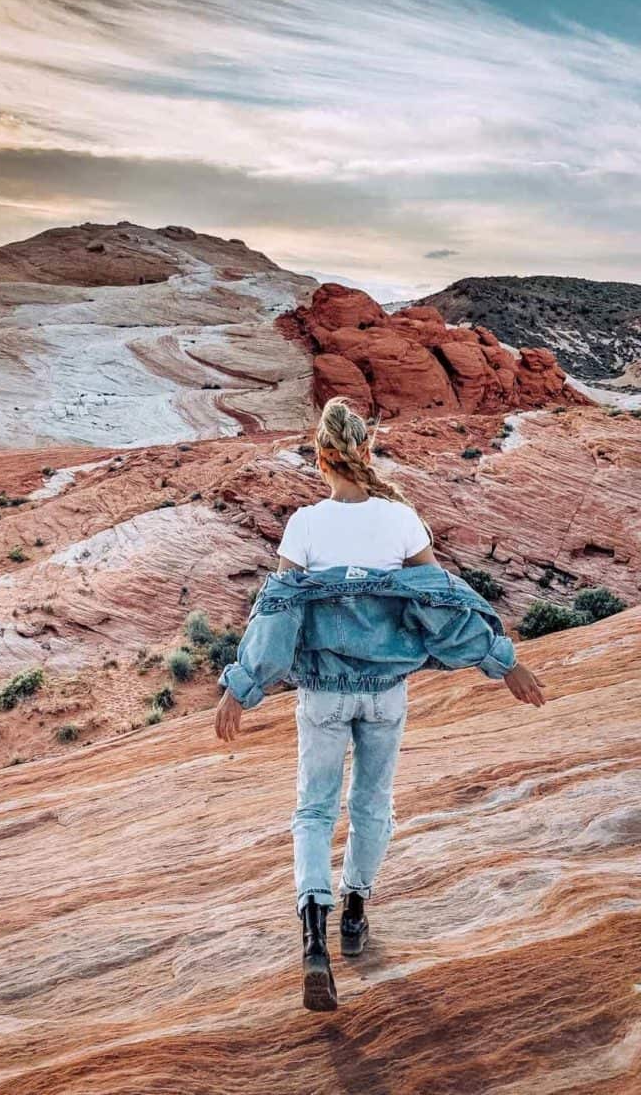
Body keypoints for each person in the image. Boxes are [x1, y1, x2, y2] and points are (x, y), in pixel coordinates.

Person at [213, 396, 545, 1012]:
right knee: (372, 805)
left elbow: (277, 619)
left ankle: (314, 935)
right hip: (385, 695)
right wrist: (504, 663)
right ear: (366, 451)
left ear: (321, 457)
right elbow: (442, 606)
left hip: (322, 697)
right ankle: (355, 915)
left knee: (313, 812)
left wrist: (242, 686)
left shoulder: (305, 526)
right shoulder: (400, 521)